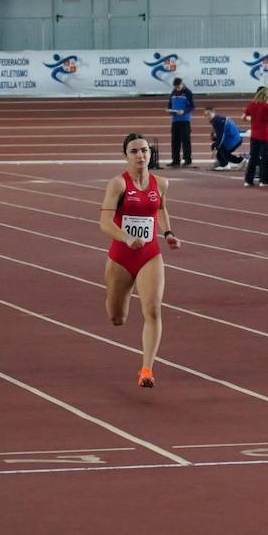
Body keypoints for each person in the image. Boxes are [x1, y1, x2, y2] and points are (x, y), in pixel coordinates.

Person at [99, 133, 180, 388]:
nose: (141, 155)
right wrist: (125, 237)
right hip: (122, 255)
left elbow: (160, 209)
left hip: (149, 254)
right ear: (125, 156)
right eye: (134, 151)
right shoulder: (118, 185)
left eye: (144, 150)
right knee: (117, 317)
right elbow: (104, 223)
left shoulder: (161, 183)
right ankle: (119, 294)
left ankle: (147, 369)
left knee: (153, 310)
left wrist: (168, 233)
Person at [241, 85, 268, 186]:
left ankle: (248, 180)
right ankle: (264, 180)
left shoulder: (251, 105)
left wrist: (254, 120)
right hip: (265, 135)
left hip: (254, 135)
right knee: (265, 158)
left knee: (253, 158)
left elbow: (244, 117)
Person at [165, 78, 195, 167]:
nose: (177, 88)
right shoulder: (173, 92)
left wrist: (184, 111)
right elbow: (170, 103)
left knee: (185, 141)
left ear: (182, 84)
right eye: (175, 86)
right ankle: (175, 160)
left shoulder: (187, 92)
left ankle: (187, 160)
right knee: (175, 141)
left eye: (178, 86)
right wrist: (169, 110)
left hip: (185, 120)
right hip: (175, 120)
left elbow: (192, 106)